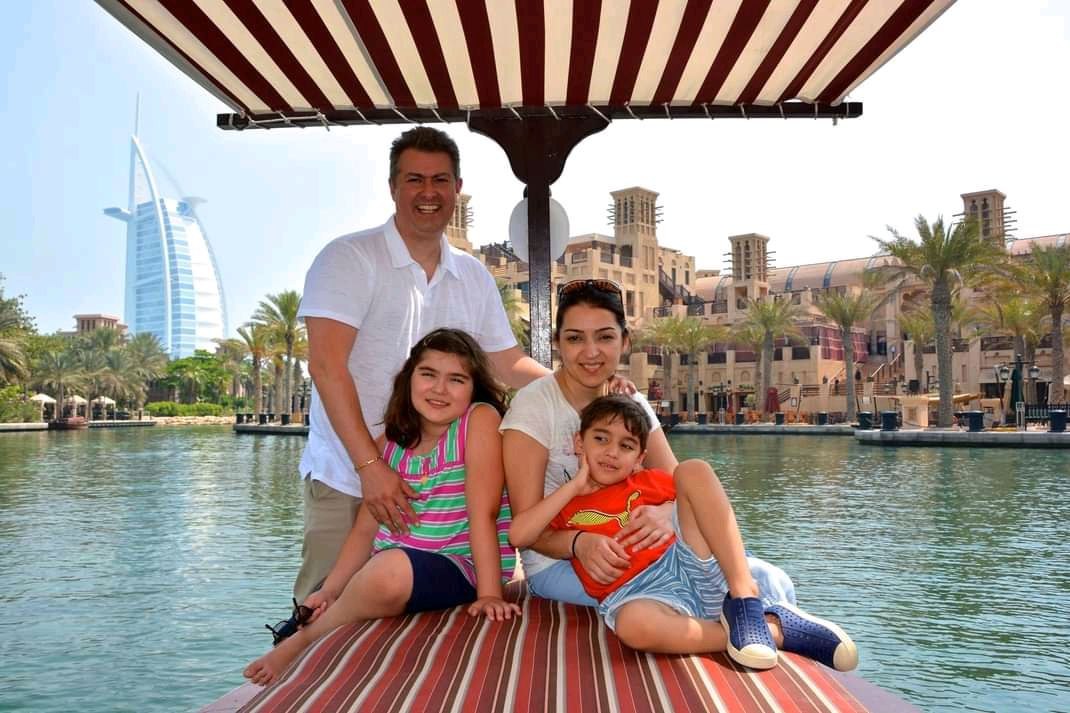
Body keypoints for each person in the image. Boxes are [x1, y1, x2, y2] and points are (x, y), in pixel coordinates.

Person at [293, 126, 547, 601]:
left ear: (457, 188)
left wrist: (582, 390)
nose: (428, 192)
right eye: (414, 179)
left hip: (440, 494)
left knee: (411, 617)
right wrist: (371, 467)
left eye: (440, 180)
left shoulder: (472, 275)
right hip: (349, 476)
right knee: (324, 609)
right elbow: (326, 366)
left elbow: (508, 364)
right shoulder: (348, 258)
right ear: (393, 186)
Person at [500, 279, 799, 663]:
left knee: (771, 578)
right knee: (671, 604)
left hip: (651, 544)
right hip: (566, 561)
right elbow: (528, 534)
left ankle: (746, 609)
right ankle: (761, 633)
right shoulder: (534, 407)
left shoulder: (629, 401)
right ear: (557, 343)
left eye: (605, 337)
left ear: (625, 342)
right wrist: (579, 543)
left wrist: (665, 513)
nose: (590, 352)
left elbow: (678, 482)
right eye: (575, 338)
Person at [245, 329, 521, 686]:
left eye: (456, 379)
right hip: (389, 567)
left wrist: (489, 594)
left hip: (459, 565)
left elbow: (483, 513)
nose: (440, 389)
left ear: (473, 388)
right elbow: (366, 529)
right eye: (428, 374)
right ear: (409, 379)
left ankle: (302, 643)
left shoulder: (478, 421)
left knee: (387, 570)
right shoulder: (389, 443)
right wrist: (330, 589)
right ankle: (326, 616)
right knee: (341, 586)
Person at [510, 395, 858, 670]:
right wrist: (574, 487)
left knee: (694, 470)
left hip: (686, 562)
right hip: (638, 592)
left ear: (640, 458)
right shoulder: (564, 505)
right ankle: (771, 631)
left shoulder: (648, 482)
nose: (612, 452)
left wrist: (669, 508)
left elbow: (708, 505)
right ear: (578, 442)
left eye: (626, 446)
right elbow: (519, 535)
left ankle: (744, 596)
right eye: (600, 439)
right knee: (633, 628)